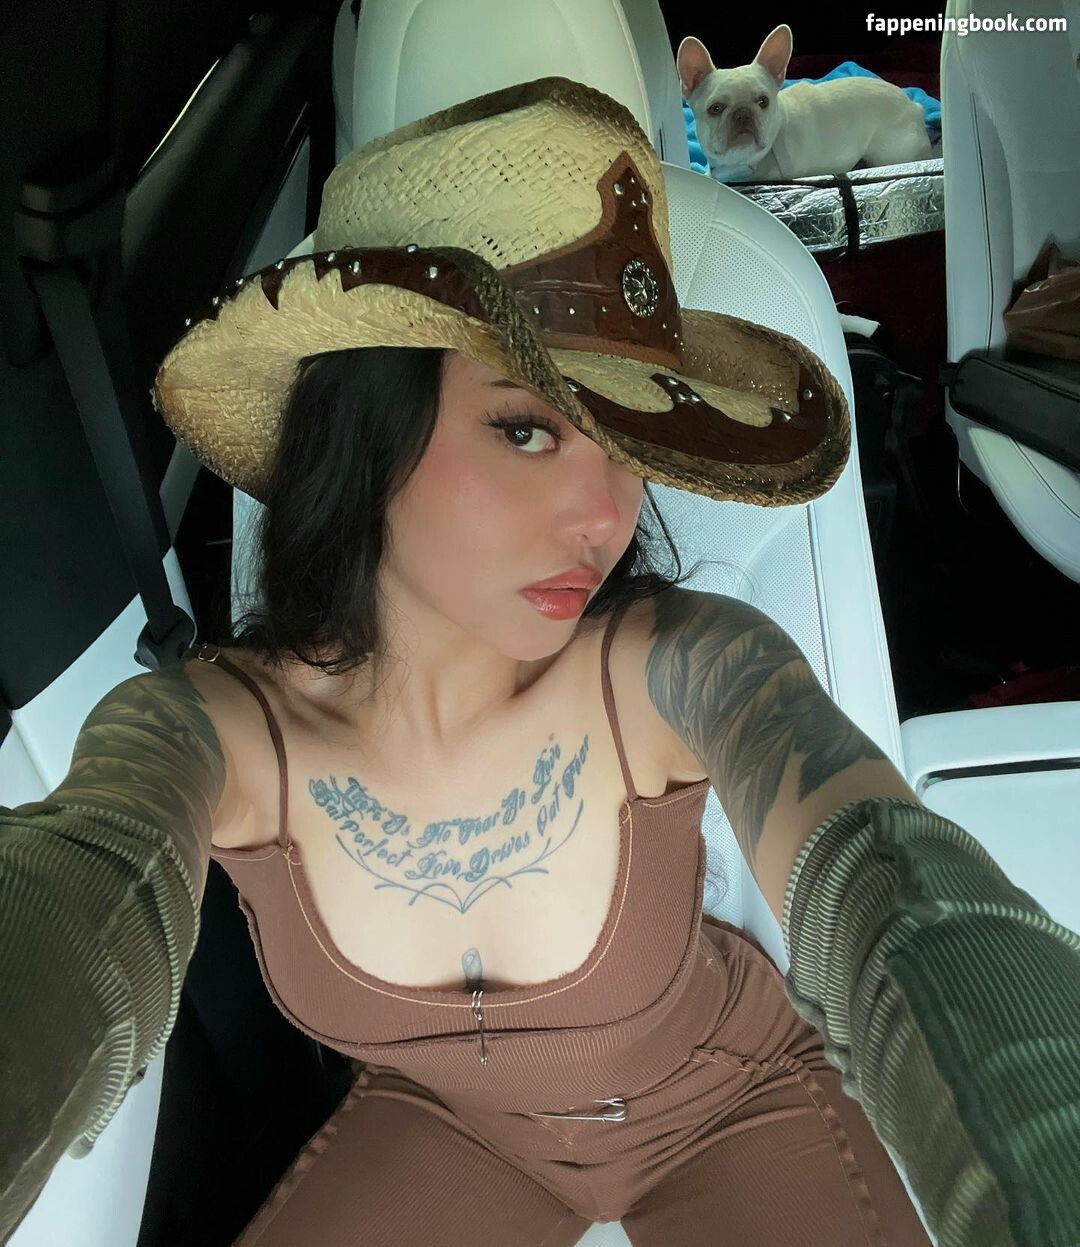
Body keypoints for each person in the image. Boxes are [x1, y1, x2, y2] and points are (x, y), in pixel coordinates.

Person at [2, 76, 1078, 1247]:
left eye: (631, 437)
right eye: (526, 428)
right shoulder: (216, 732)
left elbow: (894, 893)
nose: (605, 515)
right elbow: (76, 907)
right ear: (364, 423)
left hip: (734, 1103)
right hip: (449, 1130)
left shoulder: (676, 661)